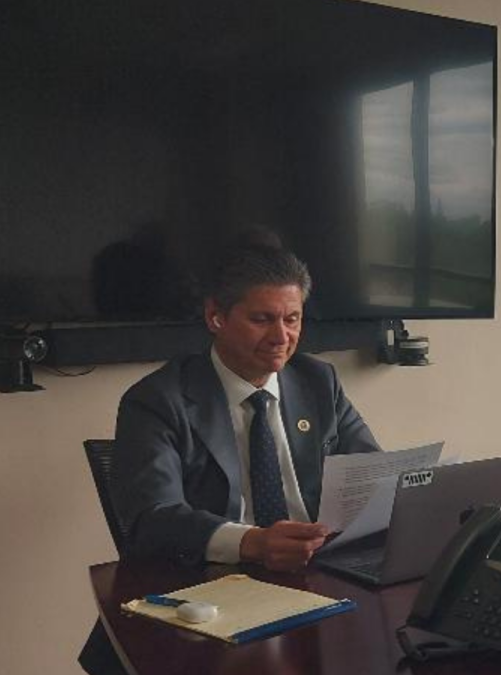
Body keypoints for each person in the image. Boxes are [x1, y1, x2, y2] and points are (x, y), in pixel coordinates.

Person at [79, 240, 380, 675]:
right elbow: (149, 517)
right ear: (215, 316)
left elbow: (370, 473)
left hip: (315, 586)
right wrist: (253, 541)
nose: (282, 337)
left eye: (292, 319)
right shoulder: (159, 400)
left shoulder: (319, 382)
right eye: (262, 319)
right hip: (204, 596)